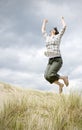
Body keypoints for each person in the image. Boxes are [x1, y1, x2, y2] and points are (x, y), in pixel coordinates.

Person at [41, 17, 69, 94]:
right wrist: (44, 22)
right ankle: (60, 84)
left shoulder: (58, 37)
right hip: (50, 60)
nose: (51, 30)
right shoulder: (47, 38)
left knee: (51, 74)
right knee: (46, 76)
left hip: (57, 59)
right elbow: (43, 30)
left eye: (53, 29)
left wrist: (62, 19)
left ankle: (64, 77)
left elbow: (64, 27)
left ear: (55, 31)